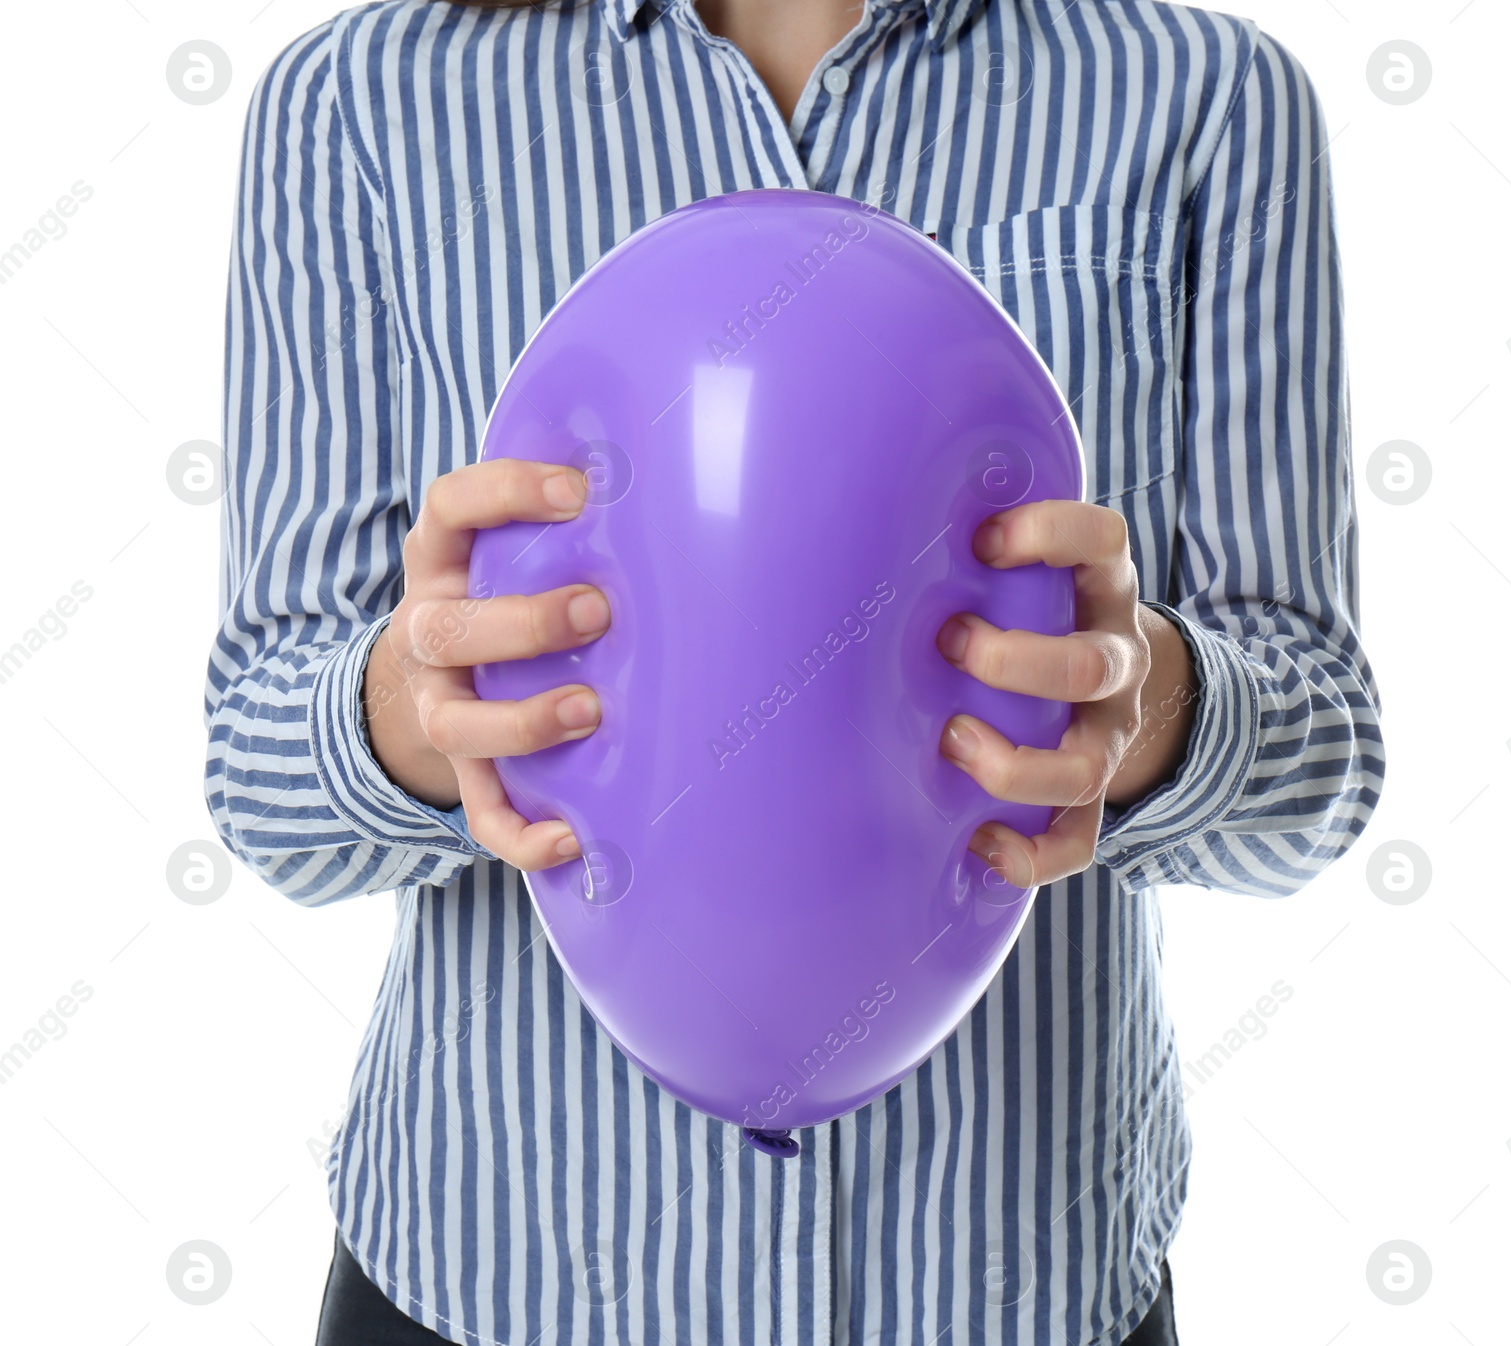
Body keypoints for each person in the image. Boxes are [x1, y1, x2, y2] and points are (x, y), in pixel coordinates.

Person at [203, 0, 1384, 1341]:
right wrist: (411, 716)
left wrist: (1155, 708)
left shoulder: (1208, 99)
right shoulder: (357, 103)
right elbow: (255, 763)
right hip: (499, 1277)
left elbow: (1323, 752)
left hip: (1014, 1291)